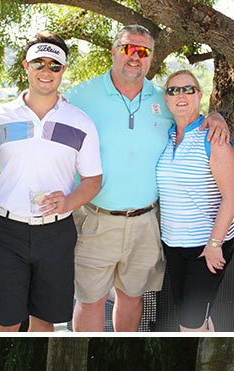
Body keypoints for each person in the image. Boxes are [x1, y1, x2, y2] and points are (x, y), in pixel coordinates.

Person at [66, 25, 229, 332]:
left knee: (132, 298)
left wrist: (216, 116)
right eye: (128, 48)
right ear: (114, 51)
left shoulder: (163, 98)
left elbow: (192, 116)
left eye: (143, 51)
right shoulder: (81, 96)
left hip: (147, 223)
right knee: (90, 301)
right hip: (96, 219)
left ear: (151, 58)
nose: (134, 57)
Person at [0, 33, 102, 332]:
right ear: (25, 66)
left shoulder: (81, 121)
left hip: (56, 233)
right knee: (6, 321)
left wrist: (69, 202)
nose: (46, 71)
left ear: (63, 70)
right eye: (39, 63)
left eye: (54, 65)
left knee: (44, 320)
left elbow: (93, 180)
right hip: (6, 232)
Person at [155, 70, 234, 332]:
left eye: (188, 89)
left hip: (207, 247)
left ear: (199, 95)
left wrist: (214, 244)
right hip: (174, 245)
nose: (181, 95)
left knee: (188, 322)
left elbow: (232, 195)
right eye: (173, 90)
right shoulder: (164, 138)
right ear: (166, 99)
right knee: (194, 317)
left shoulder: (214, 138)